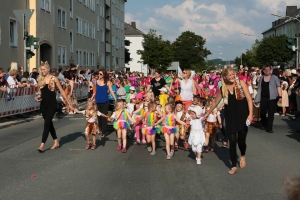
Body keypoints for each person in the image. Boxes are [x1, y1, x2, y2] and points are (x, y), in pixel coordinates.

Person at [205, 68, 253, 175]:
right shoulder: (223, 88)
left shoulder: (240, 83)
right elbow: (215, 103)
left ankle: (243, 155)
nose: (232, 76)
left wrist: (250, 115)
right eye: (229, 75)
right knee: (232, 141)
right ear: (225, 77)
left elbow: (249, 99)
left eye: (233, 74)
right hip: (230, 117)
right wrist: (207, 114)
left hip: (242, 116)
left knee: (241, 141)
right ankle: (233, 166)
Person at [35, 62, 72, 152]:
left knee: (47, 123)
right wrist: (37, 97)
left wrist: (68, 103)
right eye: (41, 69)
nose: (42, 71)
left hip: (52, 104)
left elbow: (62, 91)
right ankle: (56, 142)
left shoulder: (54, 79)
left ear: (48, 69)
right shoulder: (40, 79)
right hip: (43, 104)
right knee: (49, 124)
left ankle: (42, 145)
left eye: (44, 69)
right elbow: (39, 92)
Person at [255, 66, 282, 133]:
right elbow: (260, 89)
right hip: (263, 97)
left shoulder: (274, 78)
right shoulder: (261, 78)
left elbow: (278, 87)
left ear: (271, 70)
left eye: (268, 69)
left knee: (271, 113)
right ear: (263, 71)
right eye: (265, 70)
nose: (267, 71)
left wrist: (280, 96)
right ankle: (264, 123)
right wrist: (257, 99)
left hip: (272, 97)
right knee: (262, 112)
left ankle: (269, 127)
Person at [94, 69, 117, 137]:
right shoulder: (96, 82)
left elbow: (111, 91)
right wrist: (92, 98)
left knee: (104, 116)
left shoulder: (107, 82)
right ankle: (100, 129)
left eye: (100, 74)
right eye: (98, 73)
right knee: (99, 116)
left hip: (105, 101)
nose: (99, 75)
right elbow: (95, 91)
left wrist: (115, 99)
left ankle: (103, 131)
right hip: (98, 101)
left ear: (104, 75)